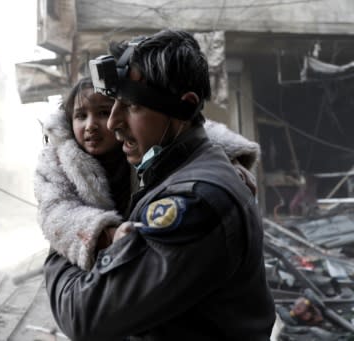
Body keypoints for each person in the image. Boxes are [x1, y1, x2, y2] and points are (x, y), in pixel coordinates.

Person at [42, 29, 275, 340]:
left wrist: (60, 240)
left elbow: (84, 314)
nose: (113, 122)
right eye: (113, 106)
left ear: (184, 107)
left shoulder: (195, 203)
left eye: (132, 106)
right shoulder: (177, 171)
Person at [35, 77, 261, 271]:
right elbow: (56, 211)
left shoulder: (141, 141)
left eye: (103, 113)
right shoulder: (56, 159)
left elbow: (194, 130)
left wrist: (230, 159)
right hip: (94, 267)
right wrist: (108, 235)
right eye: (81, 116)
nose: (91, 125)